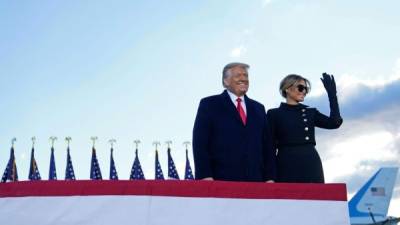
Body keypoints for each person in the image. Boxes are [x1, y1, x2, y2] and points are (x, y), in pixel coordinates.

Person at [192, 62, 276, 182]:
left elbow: (267, 146)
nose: (243, 79)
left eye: (245, 75)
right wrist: (205, 175)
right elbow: (200, 143)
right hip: (220, 180)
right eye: (238, 75)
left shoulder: (259, 108)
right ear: (225, 81)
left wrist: (270, 177)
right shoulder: (209, 104)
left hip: (256, 181)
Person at [266, 73, 343, 183]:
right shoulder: (274, 114)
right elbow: (270, 148)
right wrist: (270, 177)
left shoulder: (310, 112)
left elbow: (334, 123)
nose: (304, 92)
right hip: (286, 164)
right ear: (287, 89)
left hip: (310, 162)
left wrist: (332, 96)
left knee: (315, 198)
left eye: (306, 89)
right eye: (301, 88)